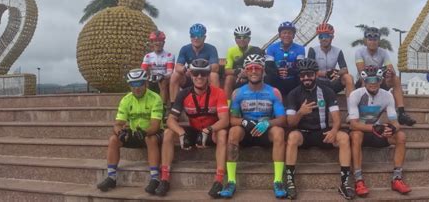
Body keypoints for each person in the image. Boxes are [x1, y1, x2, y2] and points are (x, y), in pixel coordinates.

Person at [156, 58, 229, 198]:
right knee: (168, 132)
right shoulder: (184, 94)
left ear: (208, 75)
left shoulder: (219, 93)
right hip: (194, 130)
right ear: (190, 75)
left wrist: (209, 130)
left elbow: (225, 120)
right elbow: (171, 119)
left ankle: (219, 180)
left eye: (203, 73)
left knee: (223, 133)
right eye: (196, 73)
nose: (199, 77)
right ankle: (164, 179)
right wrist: (181, 133)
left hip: (210, 131)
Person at [285, 58, 355, 200]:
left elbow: (336, 119)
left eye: (309, 74)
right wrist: (300, 112)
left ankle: (345, 182)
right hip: (303, 134)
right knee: (292, 137)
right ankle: (290, 181)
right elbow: (290, 123)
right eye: (303, 75)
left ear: (316, 74)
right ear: (299, 76)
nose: (306, 78)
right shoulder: (293, 94)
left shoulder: (327, 91)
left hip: (323, 132)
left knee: (344, 137)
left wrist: (334, 131)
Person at [220, 54, 287, 199]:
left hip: (266, 131)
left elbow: (282, 119)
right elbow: (232, 119)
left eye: (257, 68)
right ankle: (231, 181)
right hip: (246, 131)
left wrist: (268, 123)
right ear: (246, 71)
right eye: (250, 68)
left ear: (263, 71)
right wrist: (244, 122)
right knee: (233, 132)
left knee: (279, 132)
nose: (254, 71)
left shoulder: (274, 92)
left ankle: (278, 181)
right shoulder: (238, 93)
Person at [96, 69, 164, 195]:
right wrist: (119, 132)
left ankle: (155, 178)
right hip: (135, 132)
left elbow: (155, 125)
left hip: (153, 133)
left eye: (139, 84)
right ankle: (111, 177)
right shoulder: (126, 100)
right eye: (133, 85)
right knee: (113, 139)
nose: (136, 88)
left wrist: (145, 132)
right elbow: (118, 124)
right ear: (129, 86)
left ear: (146, 84)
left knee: (151, 138)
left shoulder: (155, 98)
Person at [348, 65, 411, 197]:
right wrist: (375, 128)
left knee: (401, 136)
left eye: (376, 79)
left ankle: (397, 179)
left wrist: (393, 127)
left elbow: (395, 121)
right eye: (369, 81)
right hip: (361, 132)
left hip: (377, 132)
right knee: (356, 135)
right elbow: (353, 124)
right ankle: (358, 180)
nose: (373, 83)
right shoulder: (356, 95)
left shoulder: (387, 96)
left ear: (381, 80)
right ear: (364, 81)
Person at [355, 27, 415, 126]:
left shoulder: (383, 52)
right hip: (365, 80)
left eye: (375, 39)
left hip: (379, 80)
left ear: (378, 41)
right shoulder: (360, 52)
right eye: (370, 39)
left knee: (395, 79)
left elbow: (392, 70)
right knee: (363, 79)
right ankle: (364, 113)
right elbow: (362, 71)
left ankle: (401, 112)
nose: (372, 42)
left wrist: (389, 73)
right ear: (366, 41)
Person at [169, 23, 220, 106]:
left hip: (204, 78)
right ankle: (174, 106)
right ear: (190, 37)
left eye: (199, 35)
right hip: (190, 78)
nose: (196, 38)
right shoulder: (185, 49)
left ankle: (215, 104)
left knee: (214, 75)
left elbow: (215, 67)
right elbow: (178, 66)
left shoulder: (211, 48)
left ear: (204, 37)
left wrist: (199, 69)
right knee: (175, 75)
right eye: (193, 35)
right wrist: (184, 69)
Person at [307, 23, 354, 97]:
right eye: (321, 36)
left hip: (332, 82)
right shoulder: (313, 50)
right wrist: (325, 73)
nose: (323, 39)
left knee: (348, 77)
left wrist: (336, 73)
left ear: (332, 37)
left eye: (326, 36)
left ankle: (352, 105)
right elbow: (309, 70)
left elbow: (345, 69)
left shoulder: (338, 51)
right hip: (317, 83)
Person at [265, 21, 305, 97]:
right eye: (284, 33)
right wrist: (277, 72)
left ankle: (300, 99)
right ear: (280, 35)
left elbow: (300, 67)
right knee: (267, 78)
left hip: (292, 79)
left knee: (302, 77)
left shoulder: (300, 49)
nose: (287, 35)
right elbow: (268, 67)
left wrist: (289, 72)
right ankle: (269, 99)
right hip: (277, 79)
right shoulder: (271, 48)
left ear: (293, 35)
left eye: (290, 33)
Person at [224, 25, 263, 99]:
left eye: (244, 37)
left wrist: (246, 73)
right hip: (238, 76)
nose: (242, 39)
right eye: (239, 37)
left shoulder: (255, 50)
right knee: (229, 78)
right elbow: (227, 70)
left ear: (249, 39)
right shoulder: (231, 51)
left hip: (252, 74)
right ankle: (227, 105)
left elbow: (260, 67)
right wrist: (238, 71)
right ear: (235, 39)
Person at [141, 30, 175, 108]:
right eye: (155, 41)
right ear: (152, 43)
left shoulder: (169, 55)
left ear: (164, 43)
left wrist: (162, 76)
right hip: (152, 79)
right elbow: (143, 71)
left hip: (164, 79)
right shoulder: (148, 56)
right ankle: (145, 105)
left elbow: (170, 72)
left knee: (162, 81)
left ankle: (163, 107)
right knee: (142, 80)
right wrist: (147, 78)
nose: (158, 43)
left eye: (160, 41)